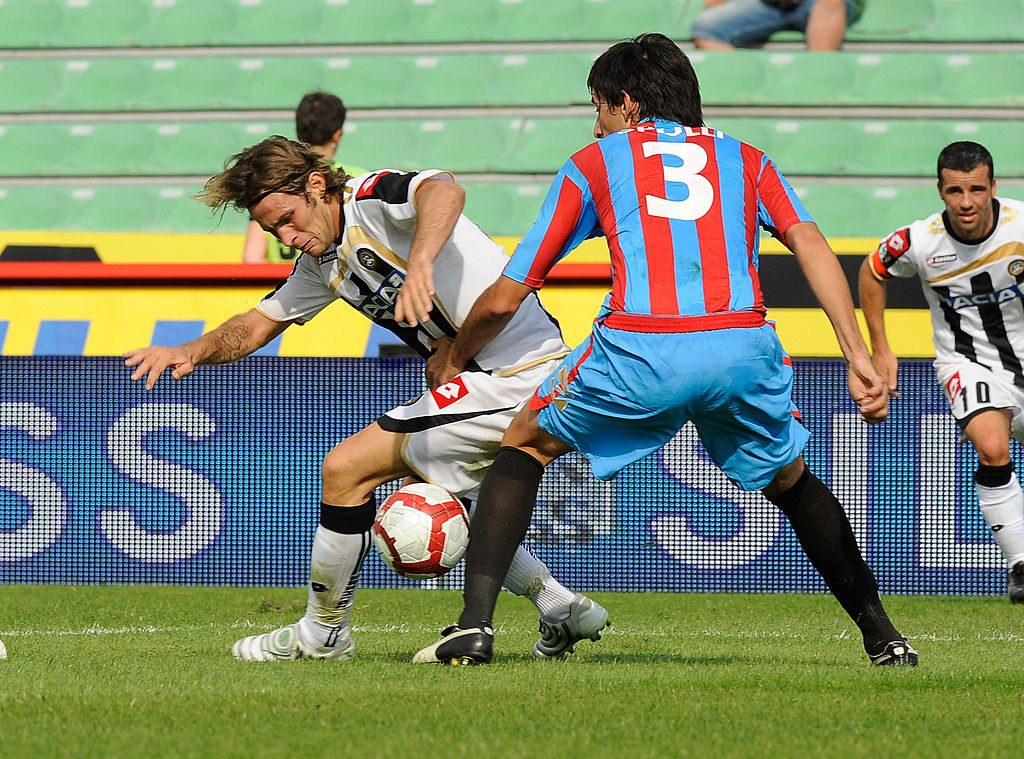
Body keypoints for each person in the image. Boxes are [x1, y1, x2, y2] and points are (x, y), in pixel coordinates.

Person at [411, 32, 916, 667]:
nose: (596, 124)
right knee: (791, 479)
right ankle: (883, 636)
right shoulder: (747, 158)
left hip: (642, 349)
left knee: (525, 443)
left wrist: (455, 357)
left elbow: (507, 296)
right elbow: (811, 244)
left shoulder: (595, 164)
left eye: (597, 107)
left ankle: (473, 628)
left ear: (624, 103)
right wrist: (855, 352)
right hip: (741, 347)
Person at [124, 136, 610, 661]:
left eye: (288, 218)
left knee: (346, 469)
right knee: (451, 501)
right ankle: (559, 605)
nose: (287, 236)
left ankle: (323, 635)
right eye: (272, 230)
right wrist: (192, 350)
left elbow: (444, 190)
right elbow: (260, 323)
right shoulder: (322, 263)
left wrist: (419, 264)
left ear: (315, 186)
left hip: (518, 370)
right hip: (485, 378)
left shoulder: (368, 198)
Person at [859, 141, 1024, 603]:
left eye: (976, 189)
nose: (966, 202)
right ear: (940, 190)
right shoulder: (919, 239)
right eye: (955, 191)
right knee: (992, 447)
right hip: (968, 362)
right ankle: (1021, 566)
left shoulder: (1021, 225)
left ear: (994, 186)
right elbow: (872, 271)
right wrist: (881, 347)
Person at [243, 92, 368, 263]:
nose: (287, 238)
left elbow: (252, 258)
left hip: (283, 280)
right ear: (337, 134)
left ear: (298, 131)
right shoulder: (356, 177)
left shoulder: (274, 184)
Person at [691, 0, 864, 51]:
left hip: (819, 3)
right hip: (768, 5)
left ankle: (819, 75)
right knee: (706, 27)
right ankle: (750, 77)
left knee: (830, 2)